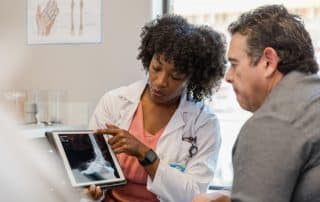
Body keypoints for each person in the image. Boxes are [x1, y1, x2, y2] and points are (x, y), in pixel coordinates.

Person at [88, 14, 227, 202]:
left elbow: (194, 194)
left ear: (193, 78)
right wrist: (93, 189)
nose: (161, 82)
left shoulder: (204, 123)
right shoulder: (114, 102)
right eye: (156, 68)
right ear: (149, 58)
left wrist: (145, 153)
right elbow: (92, 166)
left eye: (176, 76)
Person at [194, 4, 320, 202]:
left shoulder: (272, 124)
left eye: (234, 64)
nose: (228, 76)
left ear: (268, 62)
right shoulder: (312, 100)